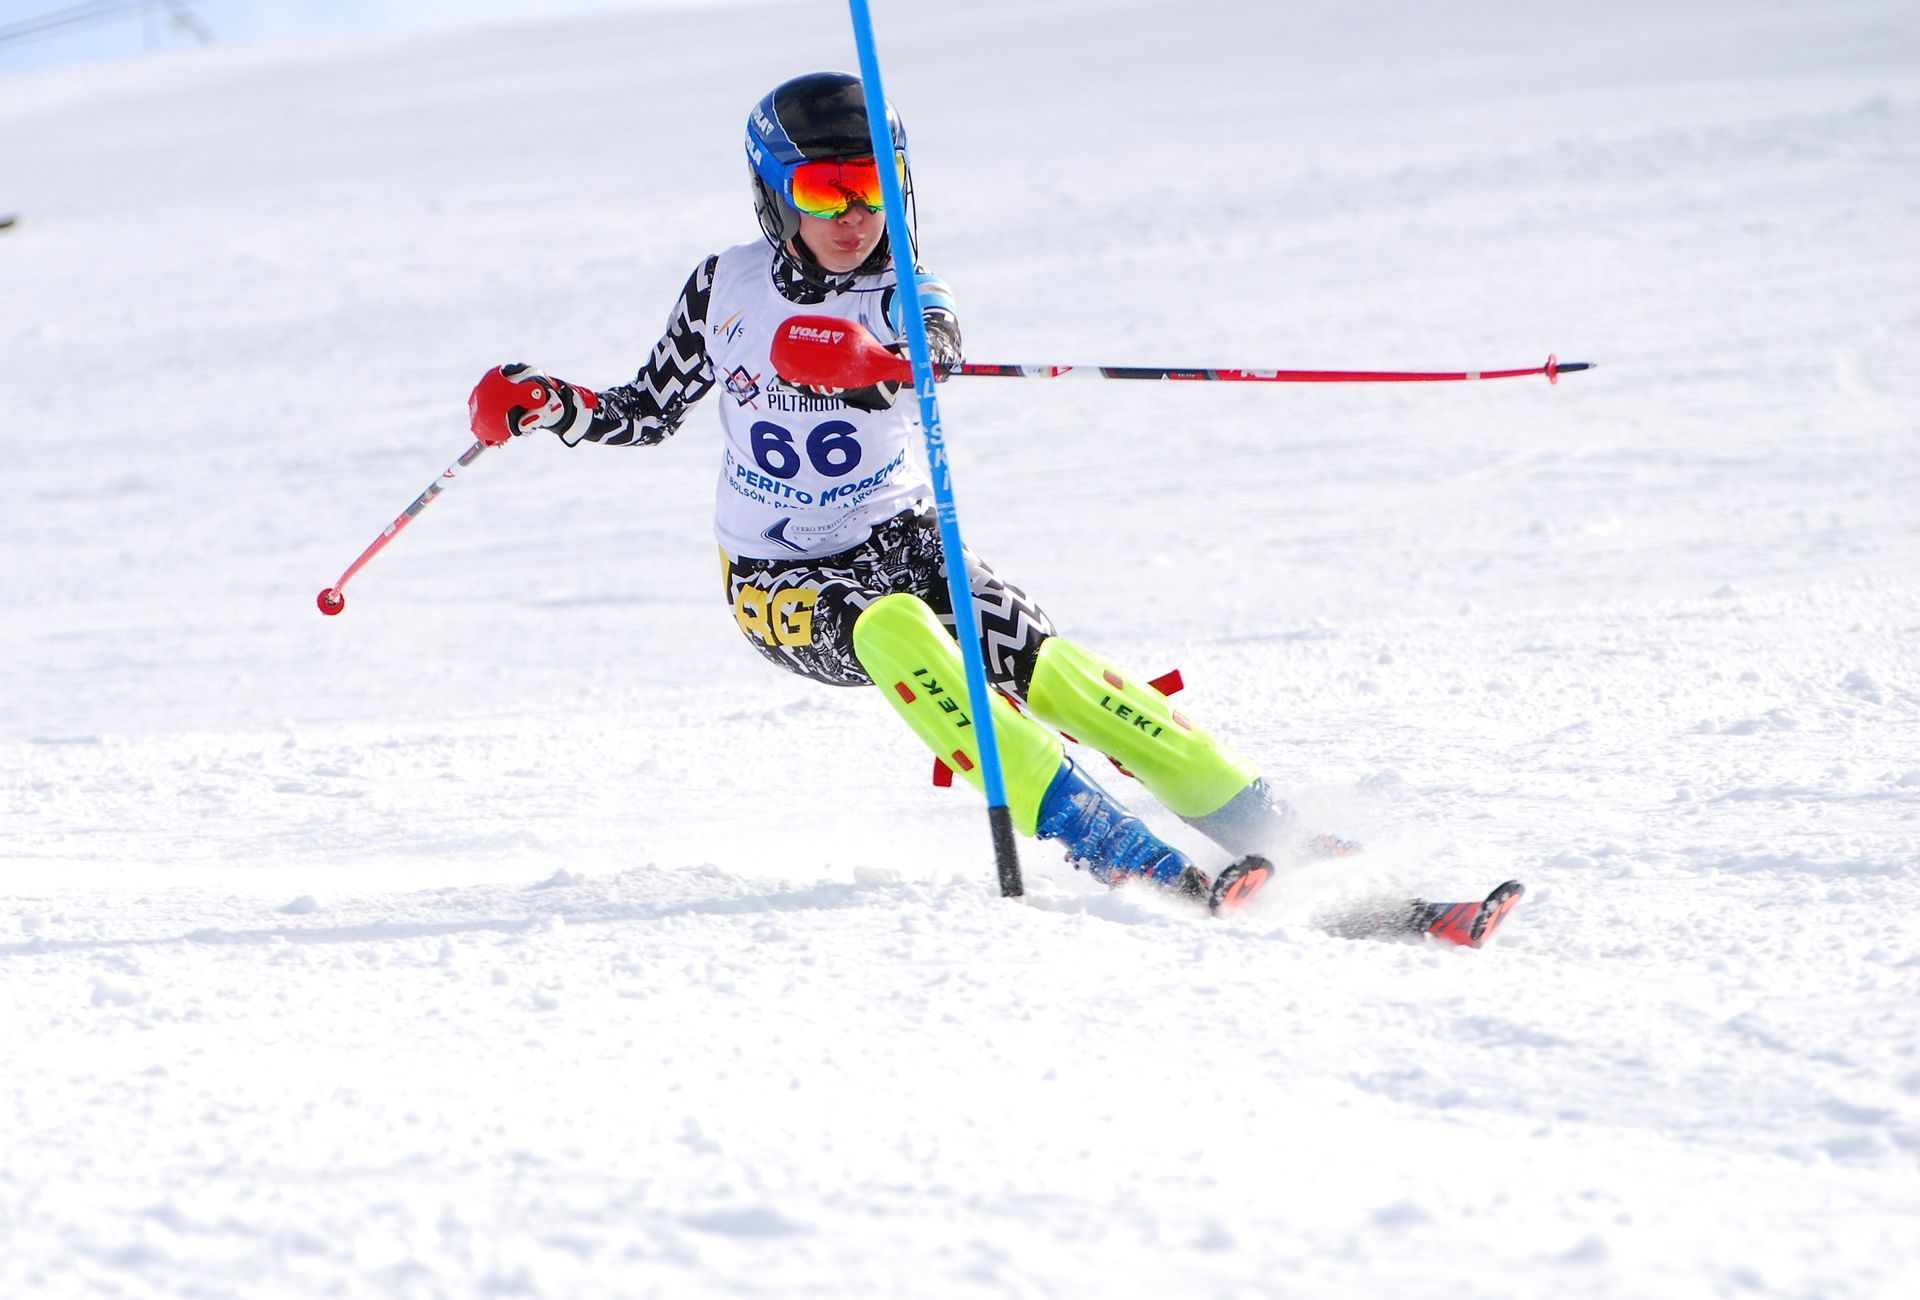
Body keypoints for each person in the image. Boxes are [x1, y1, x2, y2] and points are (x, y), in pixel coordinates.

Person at [468, 73, 1519, 937]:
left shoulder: (906, 281)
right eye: (827, 194)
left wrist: (890, 358)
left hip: (905, 542)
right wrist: (544, 404)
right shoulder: (724, 288)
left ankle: (1279, 833)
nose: (855, 216)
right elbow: (648, 411)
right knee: (892, 632)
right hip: (779, 582)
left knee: (1053, 669)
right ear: (774, 196)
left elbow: (934, 341)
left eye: (874, 188)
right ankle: (1120, 849)